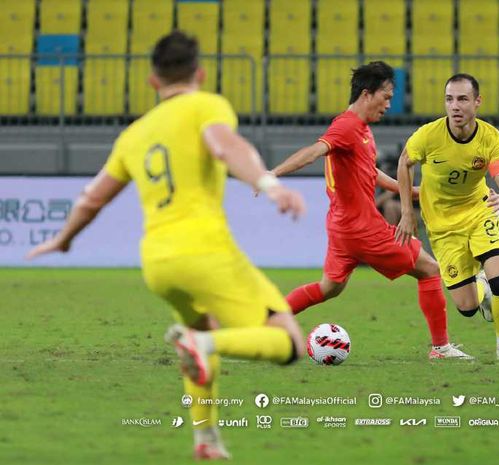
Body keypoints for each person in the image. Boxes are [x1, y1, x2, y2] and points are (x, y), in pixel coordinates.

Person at [26, 31, 307, 459]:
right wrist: (269, 184)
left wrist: (63, 240)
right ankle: (204, 348)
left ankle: (206, 438)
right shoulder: (207, 104)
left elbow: (93, 197)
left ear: (152, 81)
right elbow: (224, 145)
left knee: (198, 329)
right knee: (288, 344)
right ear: (200, 73)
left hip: (157, 264)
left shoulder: (133, 134)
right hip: (205, 252)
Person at [270, 61, 473, 360]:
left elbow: (370, 171)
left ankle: (269, 321)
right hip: (363, 228)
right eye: (386, 97)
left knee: (329, 288)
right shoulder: (346, 126)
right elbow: (314, 151)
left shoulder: (361, 130)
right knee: (430, 270)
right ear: (367, 94)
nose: (389, 104)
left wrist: (409, 190)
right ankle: (440, 348)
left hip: (342, 227)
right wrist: (273, 174)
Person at [395, 73, 499, 363]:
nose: (455, 106)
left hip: (480, 211)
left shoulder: (490, 137)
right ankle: (482, 283)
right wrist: (407, 212)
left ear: (477, 102)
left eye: (463, 99)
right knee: (467, 307)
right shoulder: (428, 135)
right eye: (449, 99)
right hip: (442, 227)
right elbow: (405, 163)